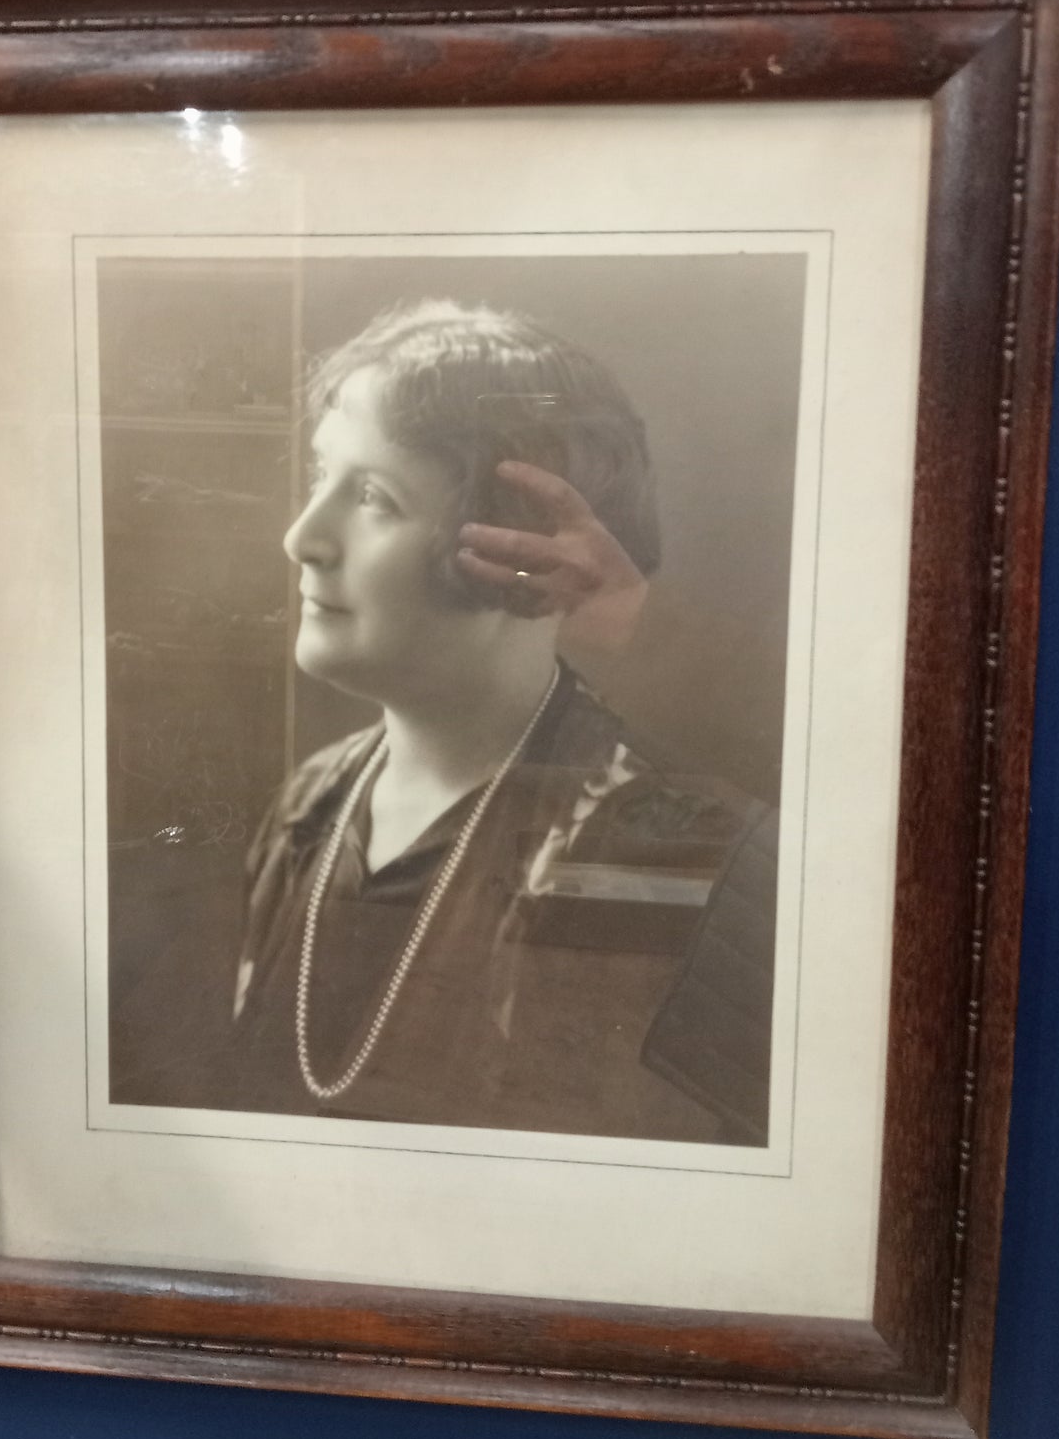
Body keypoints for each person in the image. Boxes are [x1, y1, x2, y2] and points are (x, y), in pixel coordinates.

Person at [228, 300, 776, 1143]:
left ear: (522, 550)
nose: (302, 536)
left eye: (372, 495)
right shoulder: (309, 802)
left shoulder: (655, 838)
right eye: (318, 477)